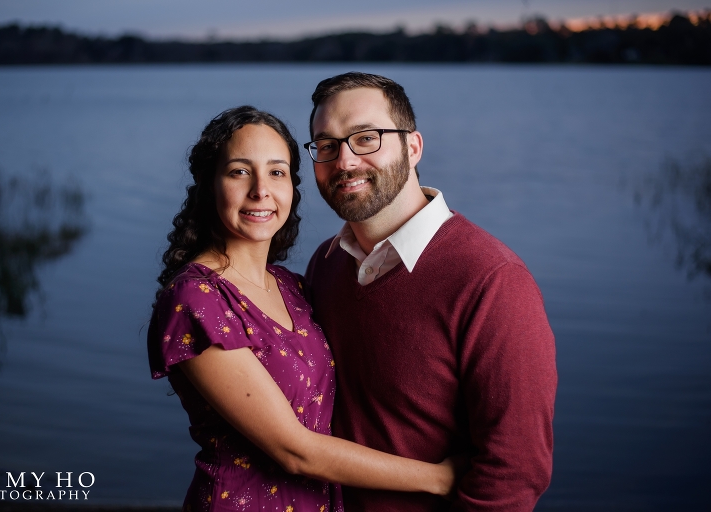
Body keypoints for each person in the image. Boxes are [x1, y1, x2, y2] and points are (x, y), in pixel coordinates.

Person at [147, 106, 455, 512]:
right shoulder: (197, 298)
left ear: (292, 188)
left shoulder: (291, 286)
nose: (261, 190)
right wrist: (441, 478)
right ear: (209, 185)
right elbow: (295, 451)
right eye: (239, 172)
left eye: (277, 172)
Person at [304, 72, 558, 512]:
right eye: (327, 145)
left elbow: (513, 475)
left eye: (366, 138)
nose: (344, 161)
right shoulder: (325, 264)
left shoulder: (492, 280)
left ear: (413, 146)